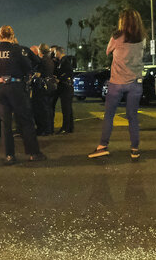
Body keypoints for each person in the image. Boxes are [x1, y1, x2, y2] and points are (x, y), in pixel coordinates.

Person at [88, 9, 146, 160]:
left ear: (122, 21)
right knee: (132, 116)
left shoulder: (117, 36)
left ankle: (103, 146)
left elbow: (107, 51)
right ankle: (135, 149)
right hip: (135, 83)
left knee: (109, 115)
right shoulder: (142, 38)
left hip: (116, 83)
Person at [0, 25, 45, 164]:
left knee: (5, 123)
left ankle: (9, 155)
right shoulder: (19, 50)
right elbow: (30, 66)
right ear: (12, 36)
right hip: (16, 87)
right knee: (25, 120)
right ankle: (33, 153)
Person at [51, 45, 75, 134]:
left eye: (54, 52)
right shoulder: (62, 61)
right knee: (68, 109)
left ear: (58, 52)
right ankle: (70, 127)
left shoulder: (65, 61)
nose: (54, 54)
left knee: (66, 109)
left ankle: (66, 128)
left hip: (66, 88)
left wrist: (59, 79)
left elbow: (69, 72)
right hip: (66, 87)